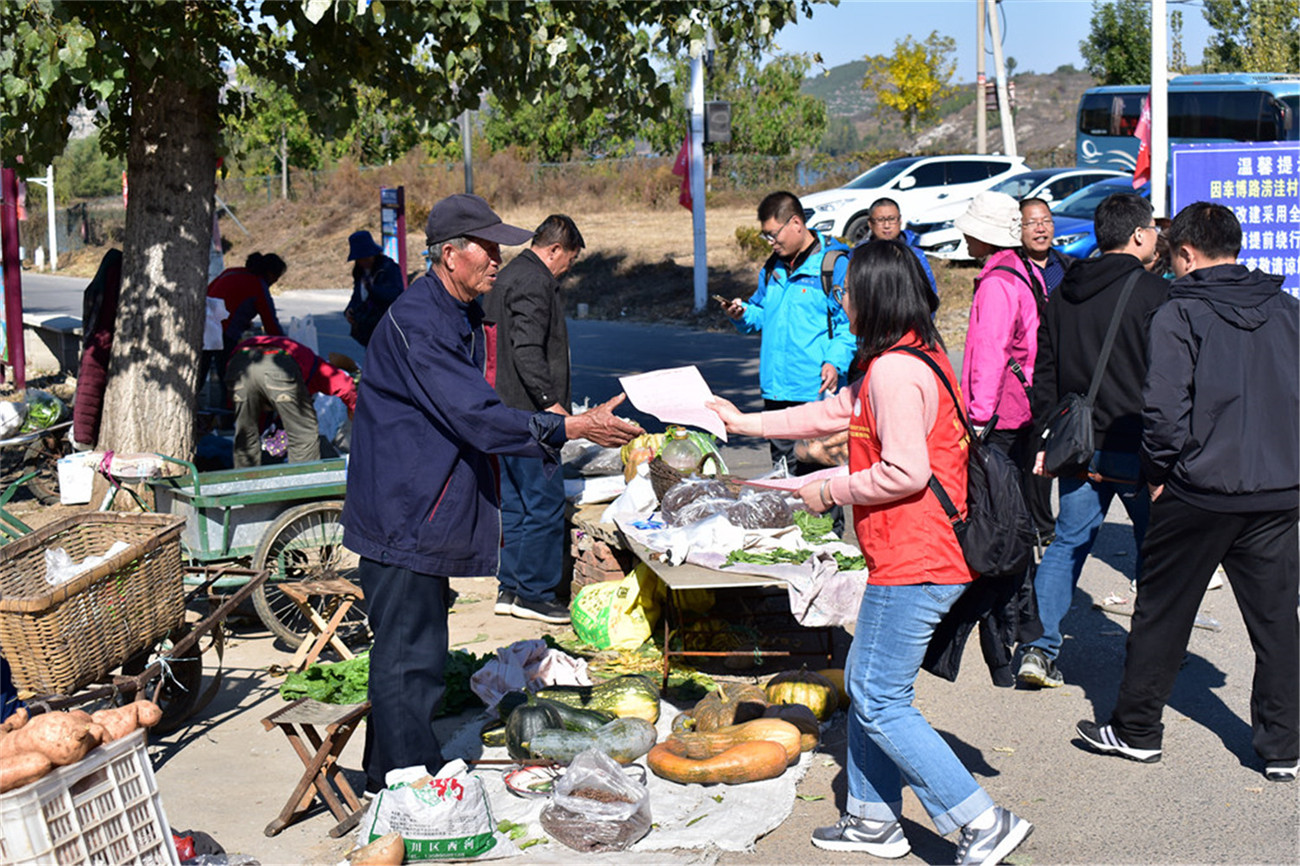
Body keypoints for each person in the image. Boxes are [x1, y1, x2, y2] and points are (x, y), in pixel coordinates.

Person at [709, 240, 1033, 865]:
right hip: (907, 553)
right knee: (867, 685)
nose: (843, 300)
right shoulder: (907, 357)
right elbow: (836, 411)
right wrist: (745, 422)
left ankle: (980, 822)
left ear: (877, 295)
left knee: (881, 697)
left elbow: (906, 472)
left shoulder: (895, 370)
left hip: (919, 555)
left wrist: (827, 489)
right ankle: (871, 819)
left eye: (848, 290)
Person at [340, 193, 641, 793]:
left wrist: (564, 425)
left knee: (418, 651)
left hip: (421, 503)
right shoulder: (421, 322)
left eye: (502, 247)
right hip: (404, 511)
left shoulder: (455, 312)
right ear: (450, 255)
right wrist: (571, 426)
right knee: (409, 657)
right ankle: (400, 784)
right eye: (488, 248)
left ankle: (391, 771)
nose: (498, 259)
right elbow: (477, 417)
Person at [1076, 202, 1298, 783]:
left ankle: (1137, 731)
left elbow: (1164, 410)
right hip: (1277, 492)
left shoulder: (1180, 313)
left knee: (1162, 614)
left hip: (1198, 490)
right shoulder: (1288, 311)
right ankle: (1282, 748)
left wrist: (1158, 472)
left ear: (1186, 254)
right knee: (1277, 624)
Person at [1019, 193, 1169, 689]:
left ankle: (1038, 649)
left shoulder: (1062, 291)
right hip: (1140, 444)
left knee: (1067, 543)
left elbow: (1044, 371)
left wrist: (1048, 429)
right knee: (1156, 549)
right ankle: (1151, 653)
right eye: (1152, 230)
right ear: (1138, 235)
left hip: (1078, 444)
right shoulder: (1155, 294)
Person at [480, 214, 585, 624]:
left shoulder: (507, 276)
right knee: (542, 502)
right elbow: (526, 349)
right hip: (530, 413)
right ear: (555, 249)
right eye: (568, 260)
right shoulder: (535, 281)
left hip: (502, 408)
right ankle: (536, 593)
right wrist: (551, 404)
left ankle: (511, 587)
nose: (566, 270)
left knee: (516, 504)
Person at [721, 190, 854, 483]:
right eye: (765, 237)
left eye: (773, 235)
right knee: (783, 480)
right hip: (776, 391)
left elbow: (850, 326)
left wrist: (834, 361)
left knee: (820, 481)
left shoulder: (833, 266)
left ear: (796, 223)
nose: (771, 243)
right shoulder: (773, 267)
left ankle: (823, 530)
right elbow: (760, 312)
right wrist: (742, 314)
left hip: (816, 393)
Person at [957, 191, 1046, 541]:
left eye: (970, 230)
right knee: (1015, 499)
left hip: (1000, 411)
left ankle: (1012, 586)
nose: (965, 236)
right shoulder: (1021, 269)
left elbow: (991, 354)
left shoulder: (997, 282)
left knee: (999, 510)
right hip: (1020, 403)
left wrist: (979, 416)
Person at [225, 335, 357, 468]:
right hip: (278, 363)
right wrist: (353, 409)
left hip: (239, 362)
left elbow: (252, 418)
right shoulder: (317, 368)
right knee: (303, 434)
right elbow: (346, 385)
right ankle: (302, 483)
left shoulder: (302, 360)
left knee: (245, 435)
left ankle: (246, 482)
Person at [201, 252, 287, 407]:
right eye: (276, 279)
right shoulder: (258, 286)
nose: (274, 283)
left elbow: (210, 294)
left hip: (203, 328)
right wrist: (287, 347)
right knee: (228, 378)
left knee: (198, 375)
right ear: (270, 273)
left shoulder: (230, 272)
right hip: (224, 335)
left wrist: (242, 320)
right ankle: (226, 418)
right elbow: (271, 325)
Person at [853, 197, 938, 296]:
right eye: (880, 220)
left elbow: (929, 293)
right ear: (870, 223)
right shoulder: (859, 255)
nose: (887, 225)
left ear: (900, 220)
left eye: (892, 219)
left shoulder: (915, 255)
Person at [344, 230, 405, 346]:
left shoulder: (389, 268)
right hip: (367, 330)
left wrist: (373, 289)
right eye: (360, 258)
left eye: (366, 257)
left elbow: (396, 295)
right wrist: (349, 310)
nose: (363, 261)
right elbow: (357, 296)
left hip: (387, 327)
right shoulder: (359, 272)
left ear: (374, 254)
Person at [1018, 198, 1073, 295]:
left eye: (1047, 221)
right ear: (1019, 227)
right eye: (1032, 223)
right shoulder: (1012, 269)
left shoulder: (1068, 266)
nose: (1041, 229)